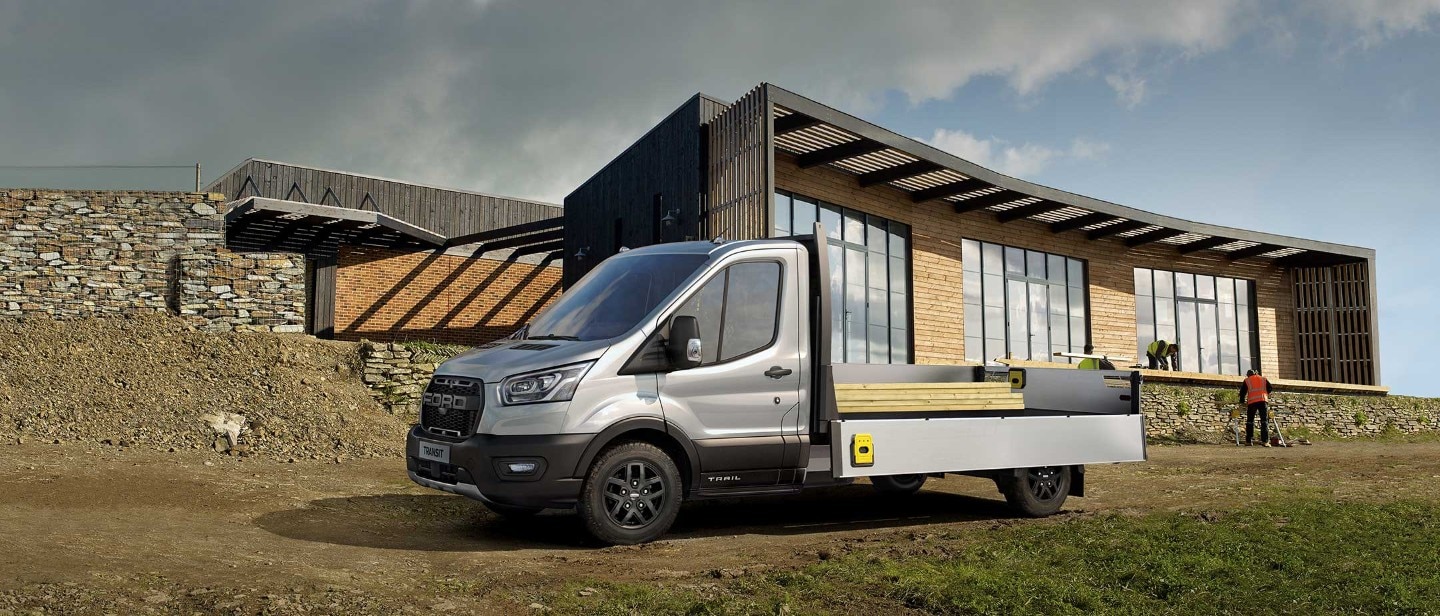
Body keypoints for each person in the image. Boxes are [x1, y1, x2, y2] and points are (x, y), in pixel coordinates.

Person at [1240, 369, 1274, 447]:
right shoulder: (1263, 379)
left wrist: (1242, 402)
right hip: (1263, 400)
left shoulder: (1247, 380)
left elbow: (1242, 392)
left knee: (1250, 421)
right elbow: (1270, 388)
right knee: (1264, 421)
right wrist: (1265, 393)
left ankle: (1249, 441)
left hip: (1252, 402)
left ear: (1248, 375)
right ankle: (1265, 441)